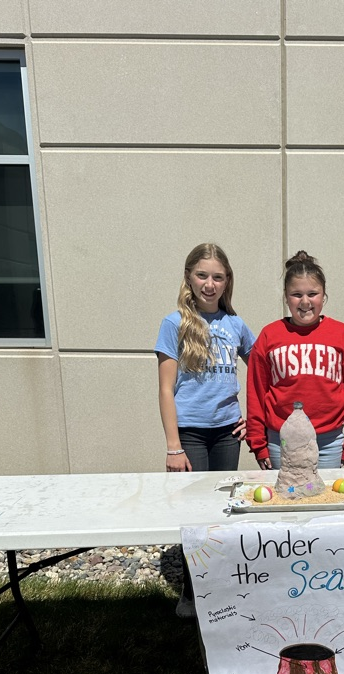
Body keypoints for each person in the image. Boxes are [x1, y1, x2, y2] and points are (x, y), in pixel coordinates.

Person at [155, 243, 255, 617]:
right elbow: (166, 389)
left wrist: (255, 417)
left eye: (217, 276)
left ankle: (221, 583)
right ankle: (192, 590)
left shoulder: (236, 324)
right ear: (189, 278)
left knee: (223, 509)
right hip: (191, 434)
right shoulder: (174, 323)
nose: (209, 284)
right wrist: (173, 446)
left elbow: (261, 370)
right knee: (195, 512)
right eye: (202, 275)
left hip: (228, 432)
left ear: (227, 281)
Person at [246, 251, 344, 470]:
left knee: (325, 501)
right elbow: (256, 393)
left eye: (312, 293)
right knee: (287, 500)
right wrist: (258, 442)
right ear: (285, 296)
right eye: (296, 294)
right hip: (281, 441)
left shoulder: (343, 335)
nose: (305, 302)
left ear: (324, 295)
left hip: (329, 443)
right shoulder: (269, 336)